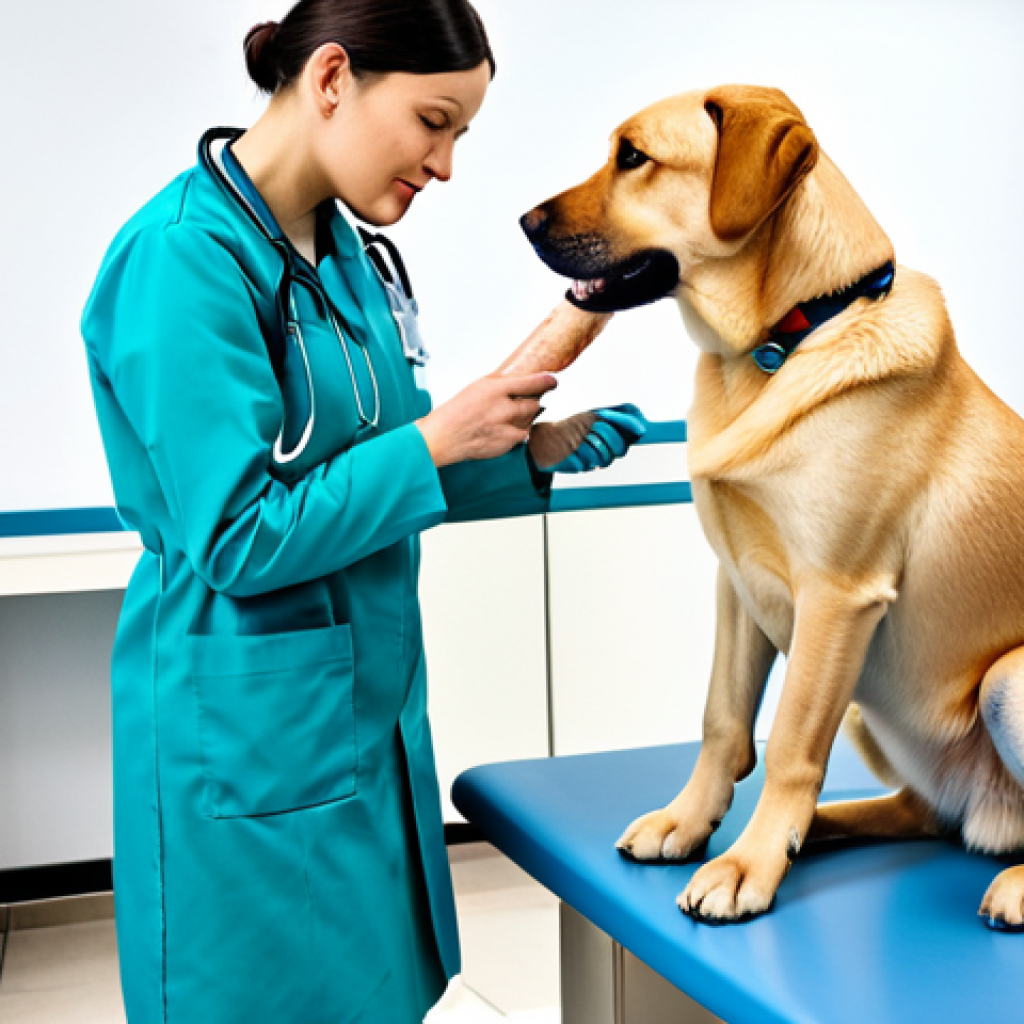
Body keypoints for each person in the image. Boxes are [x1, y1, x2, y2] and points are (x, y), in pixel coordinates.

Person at [81, 2, 646, 1021]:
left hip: (358, 726)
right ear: (332, 77)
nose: (445, 166)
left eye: (460, 134)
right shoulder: (184, 259)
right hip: (242, 734)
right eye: (434, 122)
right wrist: (436, 442)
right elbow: (241, 535)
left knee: (372, 997)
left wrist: (523, 455)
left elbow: (362, 467)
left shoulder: (349, 255)